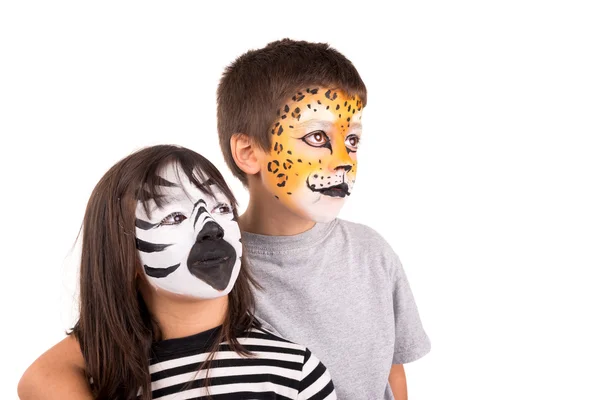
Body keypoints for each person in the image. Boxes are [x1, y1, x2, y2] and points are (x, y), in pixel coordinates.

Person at [19, 39, 430, 399]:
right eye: (317, 138)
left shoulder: (373, 252)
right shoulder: (204, 266)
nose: (343, 161)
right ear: (249, 152)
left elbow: (392, 369)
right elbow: (44, 375)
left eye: (352, 140)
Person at [18, 144, 336, 400]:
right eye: (172, 217)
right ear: (124, 255)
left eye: (222, 208)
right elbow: (39, 379)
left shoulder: (294, 373)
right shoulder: (101, 378)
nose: (211, 228)